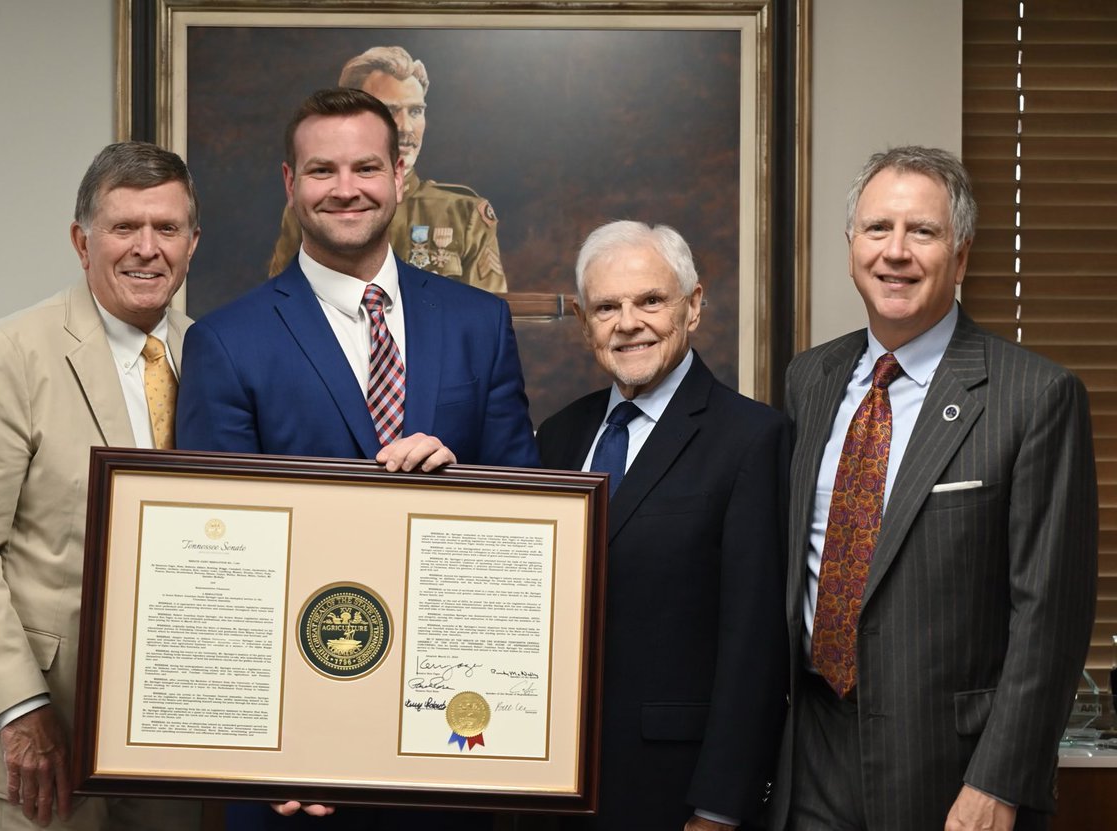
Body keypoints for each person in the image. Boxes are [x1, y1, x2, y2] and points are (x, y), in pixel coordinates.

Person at [176, 87, 538, 830]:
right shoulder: (226, 341)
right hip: (295, 773)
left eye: (366, 167)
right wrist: (263, 746)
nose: (346, 189)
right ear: (290, 184)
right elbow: (215, 565)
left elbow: (529, 523)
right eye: (322, 171)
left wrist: (461, 479)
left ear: (399, 176)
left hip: (454, 748)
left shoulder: (480, 325)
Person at [770, 146, 1097, 831]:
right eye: (877, 228)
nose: (895, 252)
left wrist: (1000, 781)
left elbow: (1051, 617)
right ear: (851, 245)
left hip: (950, 772)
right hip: (810, 752)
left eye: (922, 231)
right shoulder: (811, 379)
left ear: (962, 254)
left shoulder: (1034, 396)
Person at [0, 142, 202, 830]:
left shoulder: (217, 356)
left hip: (173, 734)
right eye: (123, 227)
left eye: (166, 228)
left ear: (192, 243)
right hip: (43, 742)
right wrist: (23, 709)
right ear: (82, 241)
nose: (146, 248)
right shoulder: (8, 355)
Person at [536, 221, 790, 830]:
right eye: (606, 307)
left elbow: (754, 645)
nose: (628, 322)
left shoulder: (751, 439)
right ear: (583, 322)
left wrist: (719, 809)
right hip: (551, 782)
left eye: (650, 300)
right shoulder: (557, 436)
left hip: (674, 789)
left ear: (693, 306)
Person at [267, 45, 507, 292]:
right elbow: (280, 304)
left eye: (415, 111)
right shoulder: (314, 209)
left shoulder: (463, 214)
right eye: (389, 111)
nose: (405, 127)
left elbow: (485, 320)